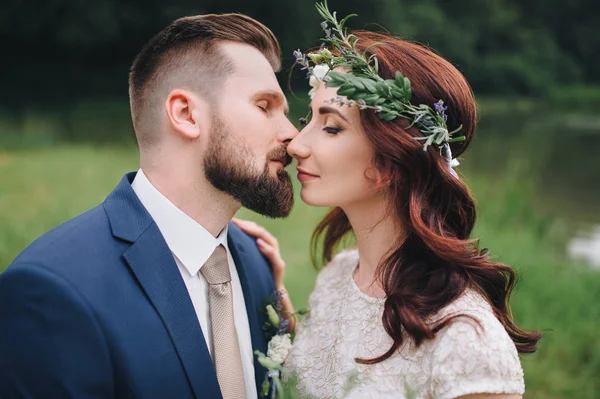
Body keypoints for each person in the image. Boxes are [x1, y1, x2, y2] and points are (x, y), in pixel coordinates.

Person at [233, 4, 541, 398]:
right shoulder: (338, 276)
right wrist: (271, 293)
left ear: (392, 160)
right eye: (309, 118)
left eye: (330, 127)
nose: (297, 142)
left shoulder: (466, 341)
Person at [0, 13, 297, 399]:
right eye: (264, 106)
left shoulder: (257, 264)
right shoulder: (53, 291)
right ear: (186, 114)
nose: (291, 134)